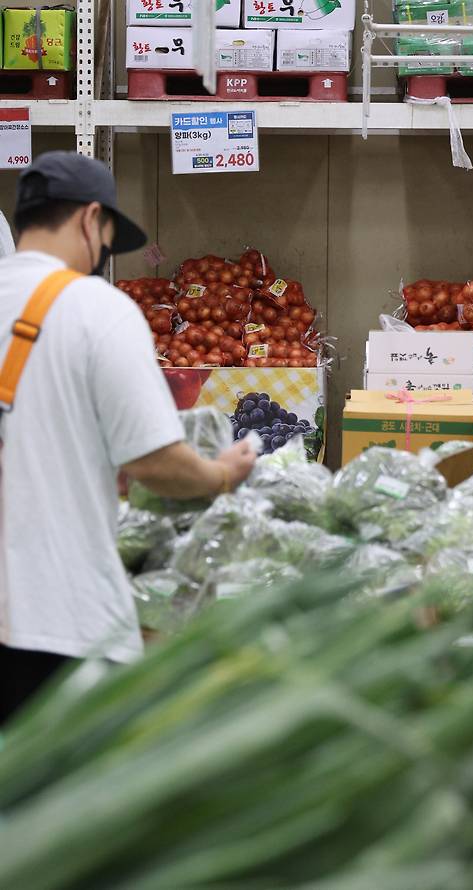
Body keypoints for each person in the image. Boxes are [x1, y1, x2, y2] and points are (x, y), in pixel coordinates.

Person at [0, 151, 256, 724]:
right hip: (54, 621)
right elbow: (156, 462)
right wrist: (219, 474)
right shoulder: (96, 308)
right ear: (91, 220)